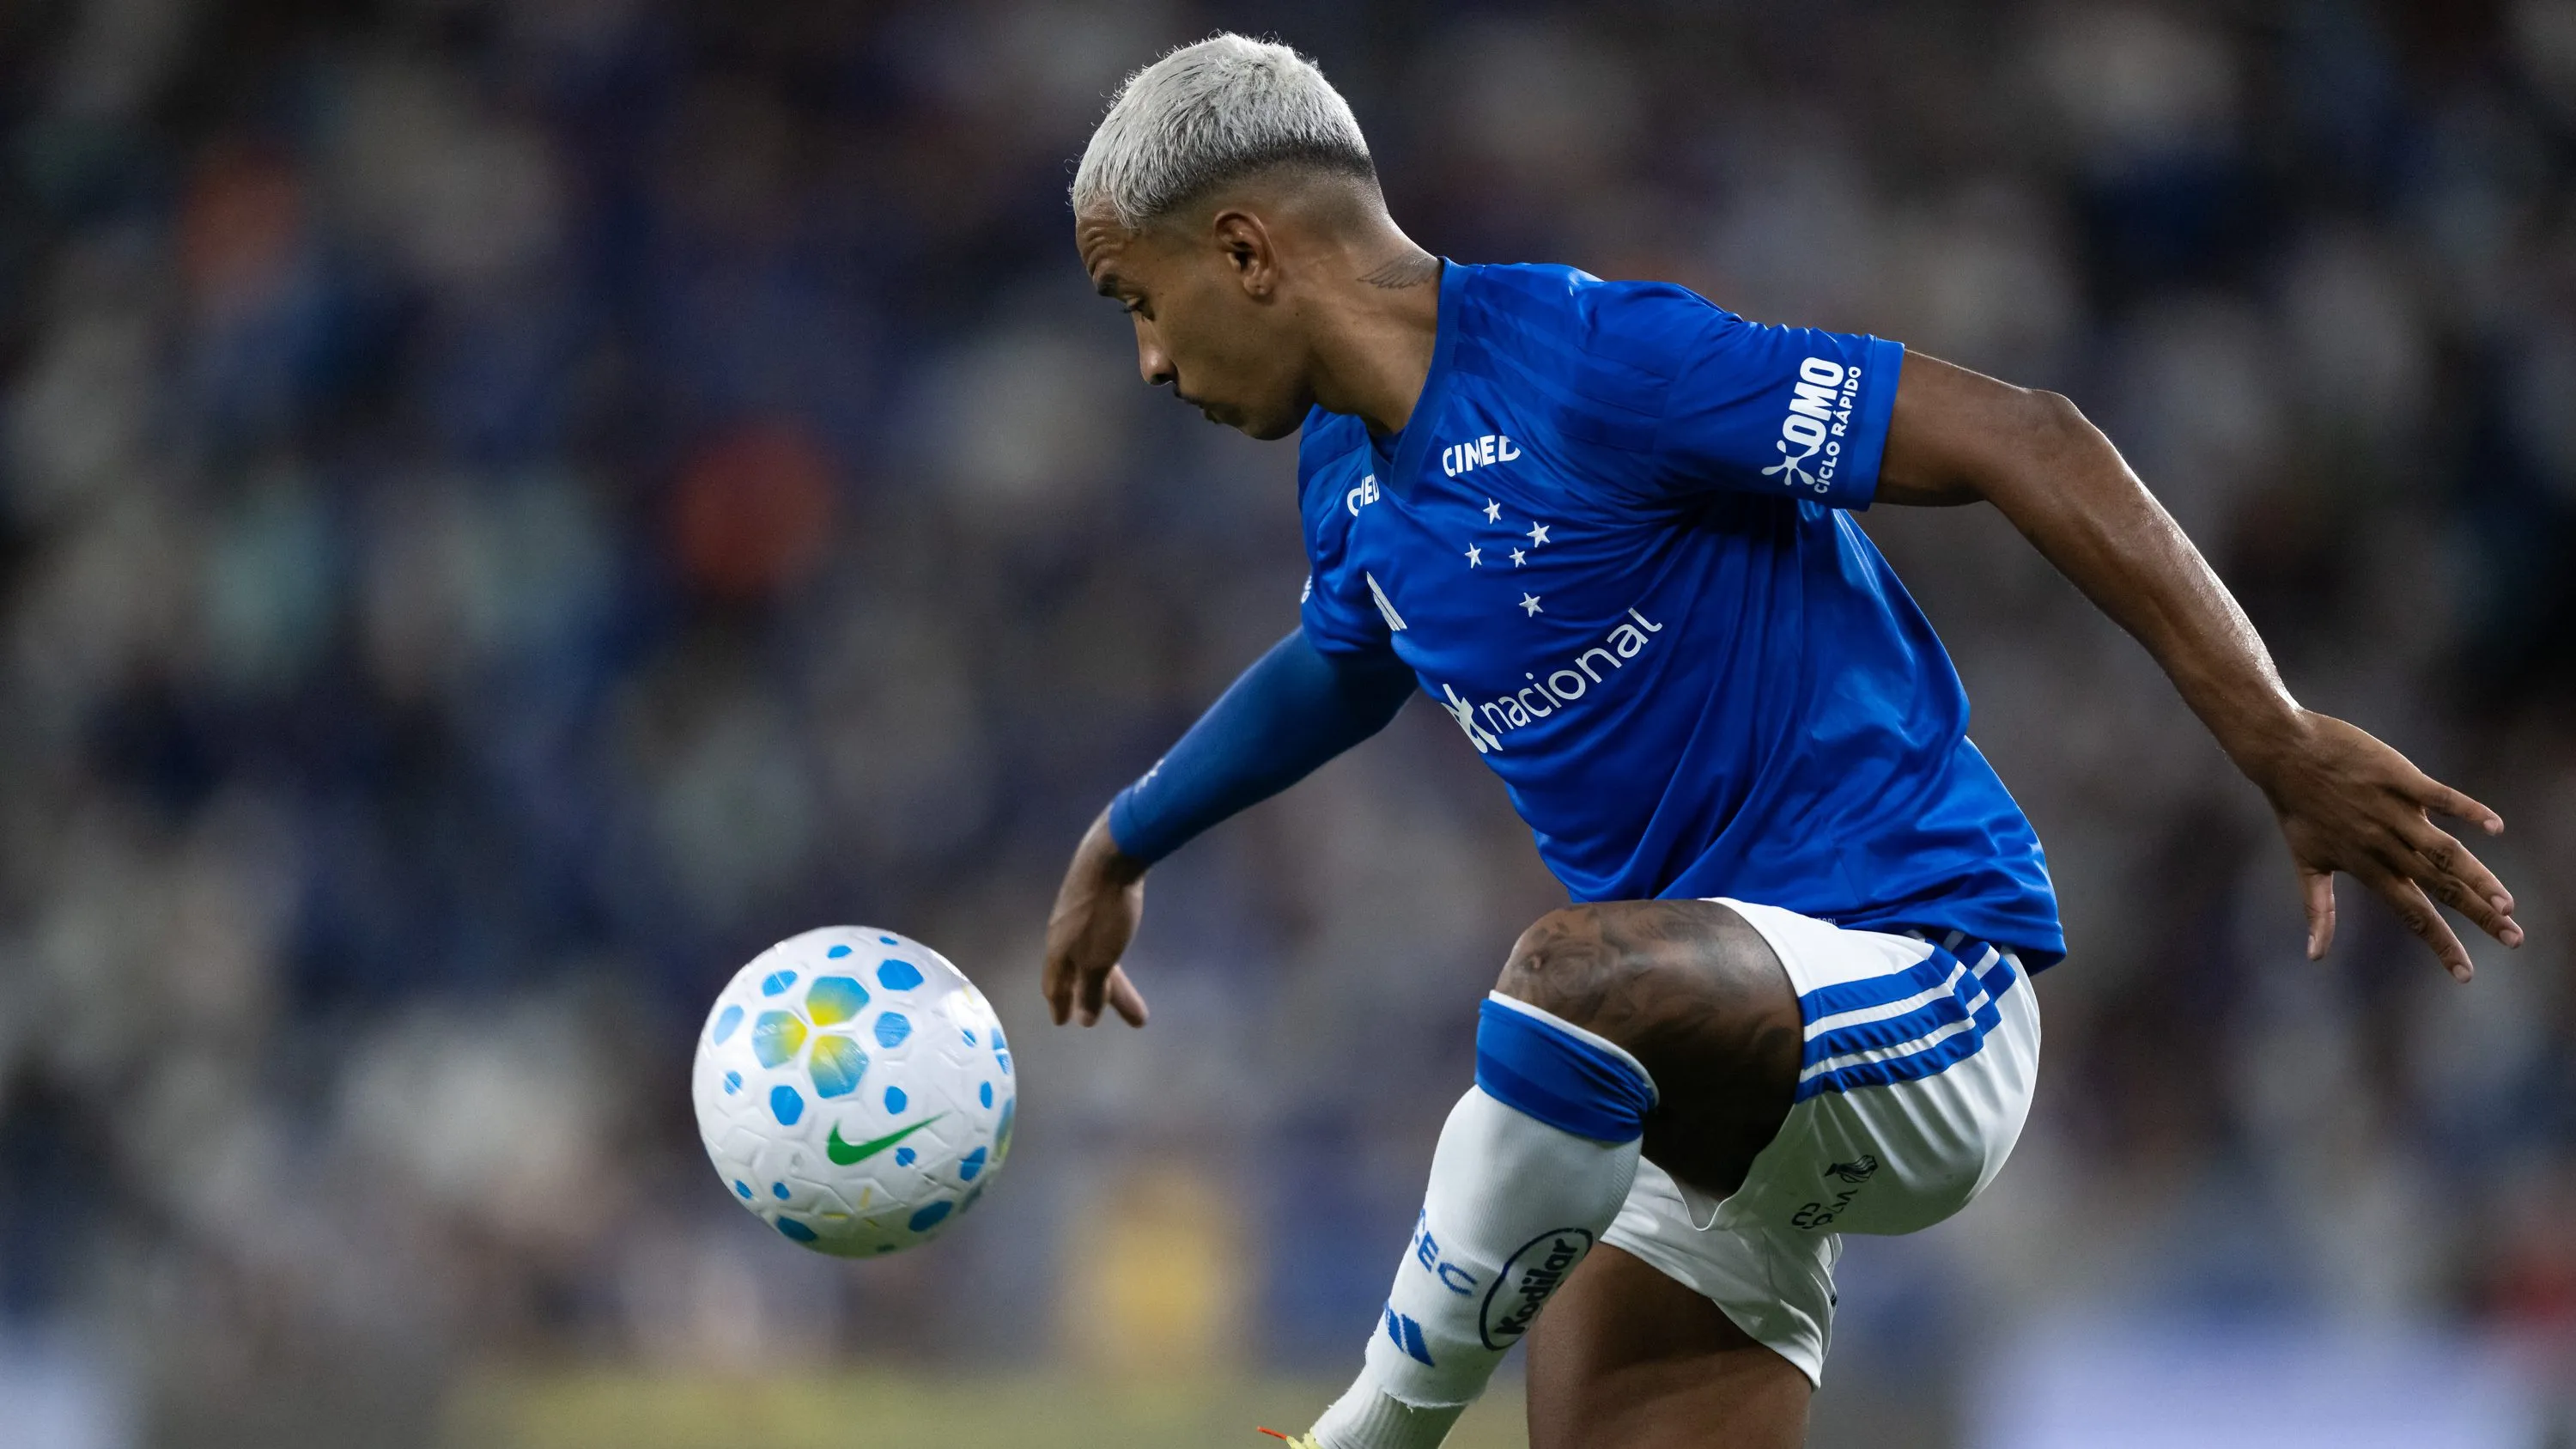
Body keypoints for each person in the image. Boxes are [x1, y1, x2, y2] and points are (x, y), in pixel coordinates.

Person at [1038, 34, 2523, 1449]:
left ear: (1243, 251)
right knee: (1592, 997)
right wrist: (1126, 837)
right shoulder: (1344, 468)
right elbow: (1345, 663)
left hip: (1914, 974)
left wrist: (2273, 738)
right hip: (1682, 1102)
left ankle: (1373, 1426)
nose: (1150, 362)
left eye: (1133, 300)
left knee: (1568, 971)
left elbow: (2031, 436)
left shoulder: (1600, 361)